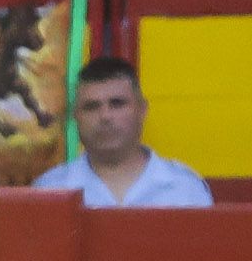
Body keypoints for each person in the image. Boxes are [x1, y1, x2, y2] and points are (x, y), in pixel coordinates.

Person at [32, 56, 213, 207]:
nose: (105, 116)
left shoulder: (185, 188)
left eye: (117, 104)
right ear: (75, 116)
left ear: (142, 109)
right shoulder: (49, 191)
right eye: (91, 107)